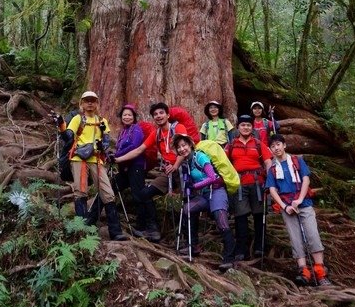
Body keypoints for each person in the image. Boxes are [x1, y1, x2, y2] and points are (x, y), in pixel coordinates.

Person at [57, 91, 128, 241]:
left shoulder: (102, 121)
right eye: (87, 100)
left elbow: (106, 140)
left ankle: (115, 232)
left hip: (97, 159)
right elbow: (68, 137)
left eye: (93, 101)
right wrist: (61, 125)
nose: (90, 103)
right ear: (82, 103)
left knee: (108, 193)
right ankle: (81, 231)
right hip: (79, 158)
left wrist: (104, 146)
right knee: (81, 192)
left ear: (97, 103)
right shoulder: (77, 119)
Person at [114, 102, 187, 242]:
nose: (158, 116)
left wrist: (176, 165)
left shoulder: (178, 127)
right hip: (167, 172)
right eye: (155, 114)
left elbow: (185, 148)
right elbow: (139, 150)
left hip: (183, 169)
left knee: (186, 203)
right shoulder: (157, 133)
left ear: (168, 115)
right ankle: (153, 229)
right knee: (144, 194)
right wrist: (118, 159)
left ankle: (187, 240)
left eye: (161, 113)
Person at [265, 133, 331, 287]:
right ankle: (304, 271)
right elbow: (272, 189)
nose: (276, 148)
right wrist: (285, 206)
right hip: (287, 206)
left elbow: (306, 179)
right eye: (273, 146)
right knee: (295, 238)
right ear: (270, 149)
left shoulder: (297, 161)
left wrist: (300, 199)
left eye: (278, 144)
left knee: (313, 234)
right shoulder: (273, 168)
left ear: (284, 145)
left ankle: (320, 271)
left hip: (304, 203)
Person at [173, 133, 237, 271]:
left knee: (221, 219)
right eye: (179, 147)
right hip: (204, 195)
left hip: (217, 191)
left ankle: (229, 258)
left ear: (190, 145)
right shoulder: (187, 162)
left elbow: (212, 177)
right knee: (187, 209)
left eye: (184, 145)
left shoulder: (200, 157)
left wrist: (195, 186)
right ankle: (193, 245)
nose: (182, 149)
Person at [225, 114, 272, 261]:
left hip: (257, 183)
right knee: (240, 216)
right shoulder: (231, 145)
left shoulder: (258, 143)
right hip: (239, 184)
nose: (246, 127)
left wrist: (270, 181)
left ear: (252, 128)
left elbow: (268, 162)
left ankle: (259, 246)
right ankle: (241, 249)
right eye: (243, 125)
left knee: (259, 215)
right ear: (238, 127)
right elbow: (224, 163)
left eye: (248, 125)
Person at [110, 104, 157, 237]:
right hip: (125, 168)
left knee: (138, 194)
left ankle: (144, 228)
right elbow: (120, 148)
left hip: (136, 166)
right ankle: (92, 217)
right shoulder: (122, 132)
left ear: (134, 117)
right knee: (110, 187)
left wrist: (117, 156)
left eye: (129, 115)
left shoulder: (136, 129)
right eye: (124, 114)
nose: (127, 117)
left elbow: (134, 146)